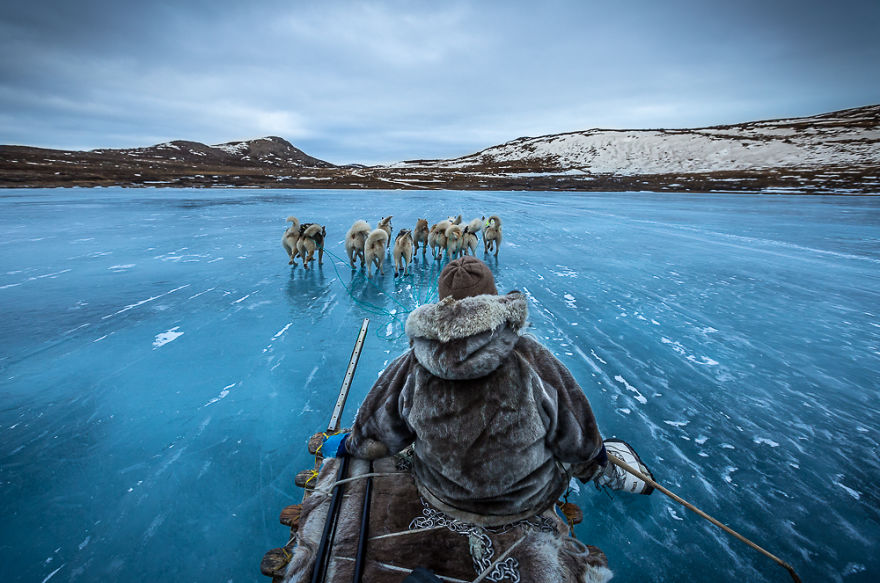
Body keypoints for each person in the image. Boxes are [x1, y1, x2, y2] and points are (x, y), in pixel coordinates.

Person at [324, 256, 652, 527]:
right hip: (523, 503)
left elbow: (378, 437)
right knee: (569, 447)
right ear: (494, 300)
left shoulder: (411, 364)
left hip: (443, 496)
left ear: (441, 305)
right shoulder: (532, 358)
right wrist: (593, 458)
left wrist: (351, 444)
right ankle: (606, 473)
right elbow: (576, 436)